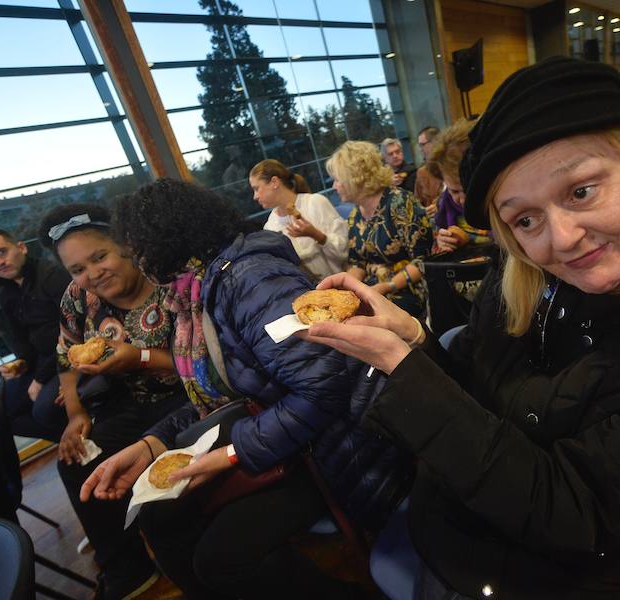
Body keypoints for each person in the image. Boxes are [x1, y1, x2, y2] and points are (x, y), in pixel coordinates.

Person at [299, 56, 620, 599]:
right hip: (451, 545)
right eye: (525, 219)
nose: (562, 238)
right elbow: (477, 391)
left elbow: (576, 510)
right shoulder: (524, 275)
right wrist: (414, 341)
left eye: (581, 191)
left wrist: (402, 371)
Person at [81, 178, 411, 600]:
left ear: (165, 238)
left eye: (135, 251)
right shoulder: (197, 290)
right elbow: (226, 394)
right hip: (290, 437)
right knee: (161, 518)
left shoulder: (250, 279)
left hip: (340, 448)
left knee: (220, 560)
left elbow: (325, 387)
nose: (138, 264)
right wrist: (153, 444)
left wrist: (234, 452)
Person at [39, 204, 187, 600]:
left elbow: (203, 365)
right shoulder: (78, 297)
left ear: (125, 245)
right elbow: (66, 355)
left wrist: (136, 358)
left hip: (186, 398)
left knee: (157, 492)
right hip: (124, 400)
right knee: (77, 458)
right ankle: (127, 567)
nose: (92, 274)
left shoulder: (170, 283)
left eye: (99, 256)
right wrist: (74, 412)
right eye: (78, 269)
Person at [0, 229, 70, 441]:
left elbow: (71, 333)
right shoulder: (7, 293)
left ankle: (84, 439)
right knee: (0, 413)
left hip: (67, 356)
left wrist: (40, 380)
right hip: (41, 362)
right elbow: (19, 337)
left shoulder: (51, 276)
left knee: (43, 409)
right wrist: (21, 361)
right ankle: (75, 442)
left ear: (21, 247)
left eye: (1, 252)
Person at [327, 141, 433, 319]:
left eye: (338, 179)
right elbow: (357, 263)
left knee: (364, 322)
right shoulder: (355, 215)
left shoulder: (400, 203)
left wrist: (384, 287)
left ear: (355, 178)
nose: (334, 186)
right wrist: (346, 289)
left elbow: (422, 262)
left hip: (407, 288)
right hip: (374, 288)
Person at [250, 159, 347, 280]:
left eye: (256, 188)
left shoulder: (315, 203)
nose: (255, 196)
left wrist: (317, 235)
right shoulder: (270, 227)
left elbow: (345, 251)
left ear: (274, 182)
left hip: (342, 284)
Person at [424, 119, 492, 254]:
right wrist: (444, 241)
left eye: (467, 190)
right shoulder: (445, 204)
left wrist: (468, 237)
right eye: (454, 191)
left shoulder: (502, 200)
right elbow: (437, 248)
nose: (462, 200)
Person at [414, 126, 444, 213]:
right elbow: (417, 204)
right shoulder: (422, 173)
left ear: (436, 142)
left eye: (423, 145)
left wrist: (440, 205)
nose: (420, 150)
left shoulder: (452, 165)